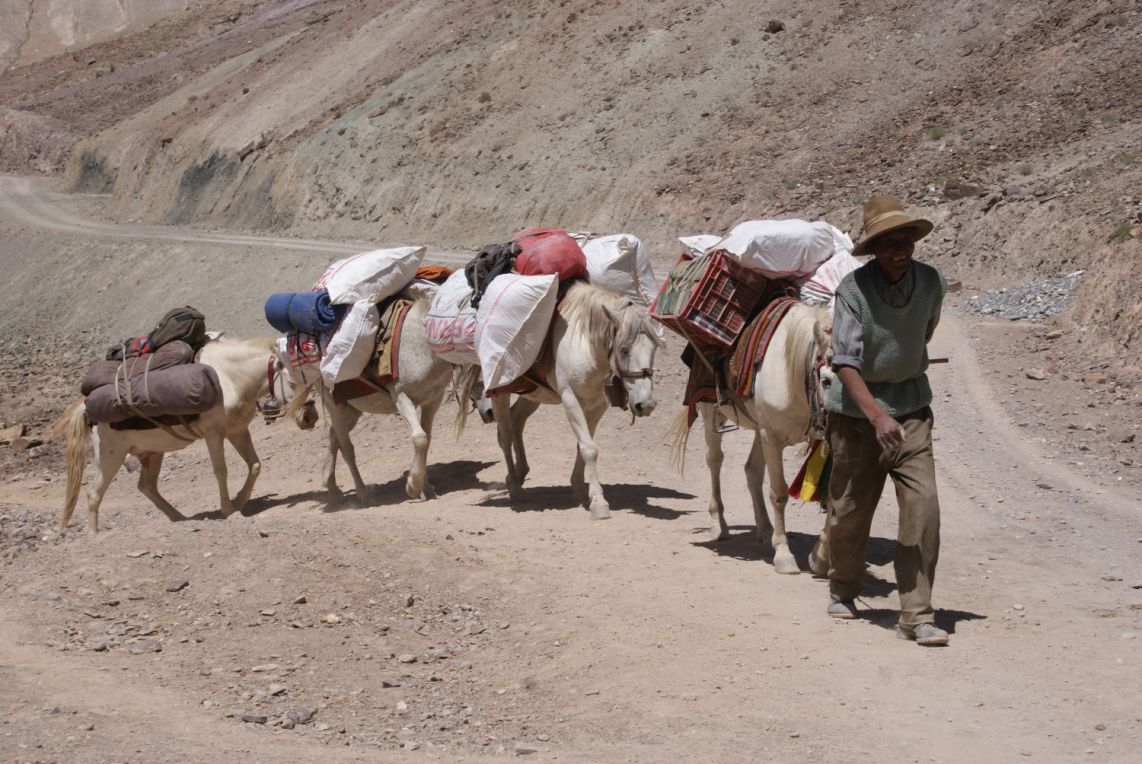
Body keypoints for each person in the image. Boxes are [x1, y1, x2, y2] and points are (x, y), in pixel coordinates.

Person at [823, 194, 949, 647]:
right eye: (889, 242)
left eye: (906, 240)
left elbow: (924, 332)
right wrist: (876, 415)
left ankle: (916, 615)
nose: (900, 249)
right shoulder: (853, 291)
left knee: (924, 507)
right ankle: (843, 587)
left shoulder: (931, 282)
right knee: (850, 512)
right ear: (873, 249)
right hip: (857, 420)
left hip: (912, 412)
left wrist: (898, 388)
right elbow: (844, 362)